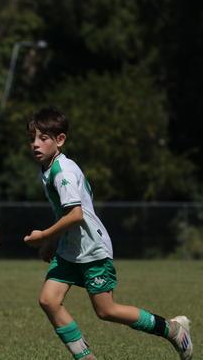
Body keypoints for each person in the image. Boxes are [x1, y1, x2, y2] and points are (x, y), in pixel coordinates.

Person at [23, 107, 193, 360]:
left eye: (43, 138)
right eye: (33, 138)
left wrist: (45, 236)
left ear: (60, 140)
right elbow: (66, 212)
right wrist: (54, 243)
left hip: (92, 248)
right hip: (70, 249)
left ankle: (172, 329)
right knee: (48, 300)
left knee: (106, 310)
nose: (35, 144)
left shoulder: (63, 172)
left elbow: (75, 215)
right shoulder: (49, 168)